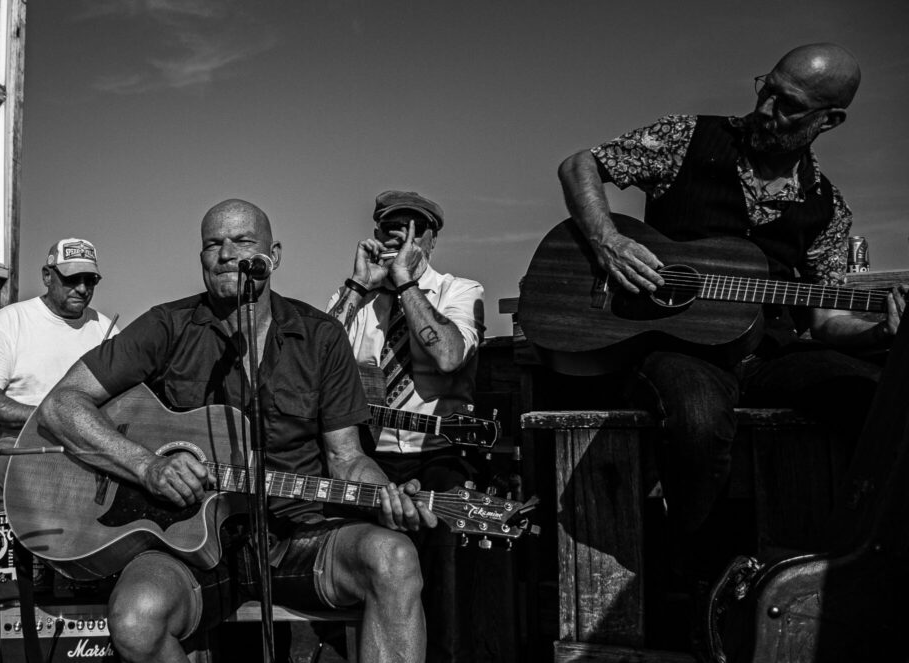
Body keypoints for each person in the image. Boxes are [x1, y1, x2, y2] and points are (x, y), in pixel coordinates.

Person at [557, 44, 907, 589]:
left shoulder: (829, 210)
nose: (766, 108)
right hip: (679, 346)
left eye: (788, 104)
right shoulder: (686, 138)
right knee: (697, 417)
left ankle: (849, 575)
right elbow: (580, 163)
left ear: (829, 120)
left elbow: (825, 322)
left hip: (768, 351)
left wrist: (885, 330)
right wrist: (608, 242)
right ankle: (699, 580)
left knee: (877, 399)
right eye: (765, 88)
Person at [39, 199, 436, 663]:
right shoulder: (167, 325)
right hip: (186, 541)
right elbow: (61, 404)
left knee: (395, 558)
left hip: (298, 536)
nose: (227, 253)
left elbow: (347, 458)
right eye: (213, 243)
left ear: (275, 254)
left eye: (243, 241)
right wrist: (147, 467)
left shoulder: (321, 335)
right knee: (135, 619)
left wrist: (386, 495)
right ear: (202, 258)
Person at [325, 190, 485, 663]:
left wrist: (405, 285)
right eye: (391, 227)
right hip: (367, 454)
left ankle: (445, 654)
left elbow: (448, 355)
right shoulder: (356, 297)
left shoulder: (460, 290)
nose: (400, 234)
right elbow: (309, 362)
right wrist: (358, 286)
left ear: (430, 242)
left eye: (414, 228)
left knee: (442, 540)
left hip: (439, 451)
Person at [0, 237, 118, 509]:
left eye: (90, 280)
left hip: (90, 446)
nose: (82, 289)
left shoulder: (106, 330)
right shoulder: (12, 321)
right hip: (23, 442)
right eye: (72, 279)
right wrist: (51, 417)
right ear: (47, 276)